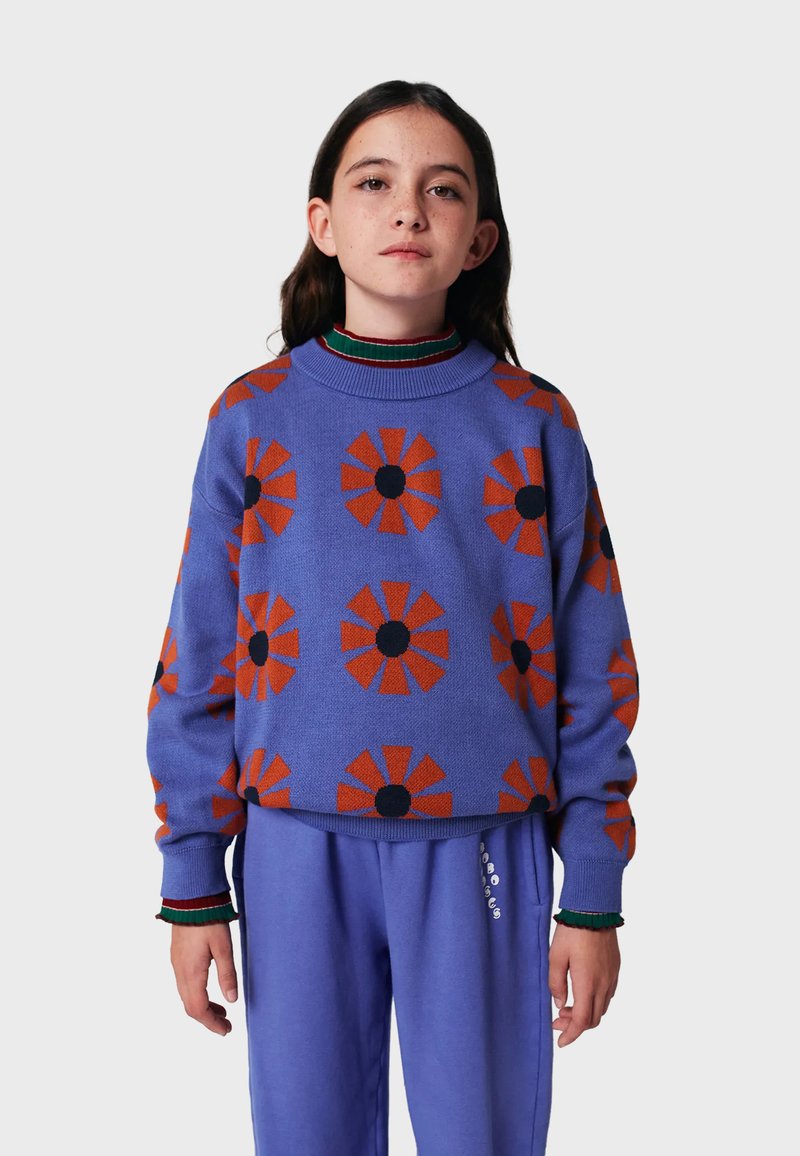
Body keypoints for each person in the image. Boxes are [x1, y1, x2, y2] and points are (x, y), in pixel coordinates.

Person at [146, 79, 640, 1156]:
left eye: (442, 189)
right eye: (374, 183)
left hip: (485, 844)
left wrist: (592, 893)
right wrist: (191, 882)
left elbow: (594, 667)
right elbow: (197, 658)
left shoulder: (533, 423)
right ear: (323, 223)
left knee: (482, 1139)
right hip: (290, 848)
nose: (408, 208)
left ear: (478, 240)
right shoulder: (251, 416)